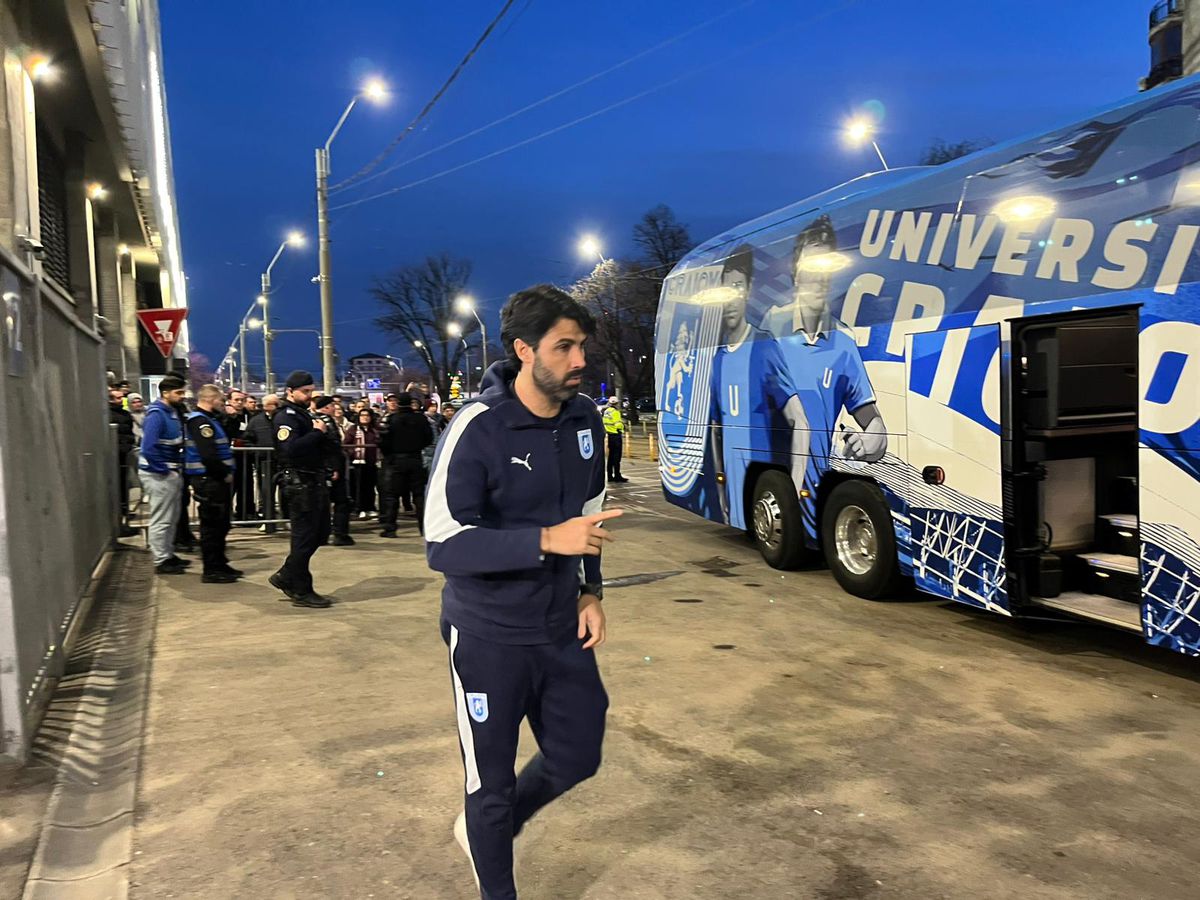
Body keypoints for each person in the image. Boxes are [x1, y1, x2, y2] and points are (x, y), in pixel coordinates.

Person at [426, 284, 619, 899]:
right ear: (524, 349)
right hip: (487, 636)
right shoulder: (478, 427)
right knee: (490, 784)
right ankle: (494, 869)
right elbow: (442, 542)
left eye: (581, 346)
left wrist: (590, 592)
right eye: (564, 347)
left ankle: (490, 829)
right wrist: (543, 541)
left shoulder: (586, 419)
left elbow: (588, 513)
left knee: (578, 753)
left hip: (562, 625)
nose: (579, 360)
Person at [761, 217, 887, 539]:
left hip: (821, 476)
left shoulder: (843, 343)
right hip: (786, 475)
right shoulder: (770, 328)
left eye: (825, 268)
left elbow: (874, 422)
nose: (818, 278)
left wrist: (873, 440)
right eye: (810, 268)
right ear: (795, 273)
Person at [270, 371, 333, 608]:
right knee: (304, 537)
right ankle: (300, 587)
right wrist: (317, 433)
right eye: (304, 392)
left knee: (319, 532)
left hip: (312, 480)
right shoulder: (286, 417)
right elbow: (290, 449)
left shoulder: (301, 414)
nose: (309, 395)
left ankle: (287, 574)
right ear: (290, 391)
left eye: (310, 391)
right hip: (299, 483)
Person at [184, 385, 243, 583]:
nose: (222, 403)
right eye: (220, 400)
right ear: (210, 399)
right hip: (209, 479)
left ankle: (220, 563)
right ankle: (211, 569)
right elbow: (208, 455)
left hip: (214, 479)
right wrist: (224, 473)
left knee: (221, 524)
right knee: (211, 525)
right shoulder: (200, 422)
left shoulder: (210, 420)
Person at [138, 374, 191, 575]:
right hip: (159, 474)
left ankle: (168, 554)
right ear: (165, 393)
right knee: (162, 518)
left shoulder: (171, 412)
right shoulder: (156, 414)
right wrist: (164, 470)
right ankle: (161, 559)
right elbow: (149, 447)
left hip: (169, 471)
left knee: (171, 516)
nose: (182, 396)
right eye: (179, 392)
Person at [378, 392, 433, 537]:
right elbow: (429, 438)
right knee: (419, 495)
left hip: (396, 460)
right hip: (416, 459)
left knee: (392, 495)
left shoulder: (391, 419)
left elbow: (383, 441)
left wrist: (389, 455)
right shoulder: (421, 419)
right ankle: (424, 527)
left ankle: (390, 528)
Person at [313, 394, 354, 546]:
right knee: (341, 501)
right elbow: (332, 447)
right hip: (331, 466)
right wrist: (334, 468)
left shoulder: (312, 419)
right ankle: (340, 534)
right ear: (327, 407)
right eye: (332, 405)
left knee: (322, 502)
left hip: (320, 467)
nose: (335, 408)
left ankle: (321, 535)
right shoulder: (327, 422)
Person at [247, 394, 281, 527]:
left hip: (282, 460)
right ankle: (268, 521)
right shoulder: (256, 421)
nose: (275, 407)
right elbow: (247, 439)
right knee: (266, 492)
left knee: (286, 491)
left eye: (276, 404)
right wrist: (256, 451)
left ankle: (287, 517)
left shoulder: (283, 419)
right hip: (264, 461)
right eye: (272, 404)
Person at [109, 385, 138, 537]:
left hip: (124, 455)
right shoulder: (110, 415)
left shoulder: (125, 414)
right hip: (117, 457)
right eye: (118, 397)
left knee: (125, 488)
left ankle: (124, 516)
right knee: (119, 489)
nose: (122, 400)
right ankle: (119, 522)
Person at [343, 408, 380, 518]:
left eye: (367, 415)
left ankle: (370, 507)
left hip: (372, 462)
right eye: (362, 415)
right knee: (358, 487)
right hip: (357, 463)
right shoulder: (353, 429)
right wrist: (353, 452)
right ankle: (359, 508)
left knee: (370, 486)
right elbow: (346, 444)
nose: (365, 417)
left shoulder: (375, 429)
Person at [601, 396, 628, 483]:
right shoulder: (615, 412)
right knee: (617, 457)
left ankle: (610, 476)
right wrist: (623, 426)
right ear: (616, 403)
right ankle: (617, 475)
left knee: (611, 457)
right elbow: (618, 425)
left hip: (609, 435)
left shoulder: (606, 411)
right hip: (616, 436)